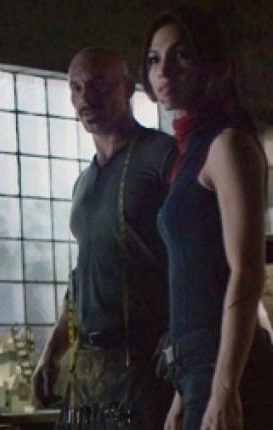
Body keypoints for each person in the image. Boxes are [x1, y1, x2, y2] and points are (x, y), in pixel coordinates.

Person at [141, 6, 273, 430]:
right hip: (196, 370)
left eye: (181, 55)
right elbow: (194, 278)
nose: (163, 71)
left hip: (231, 370)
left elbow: (246, 270)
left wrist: (224, 390)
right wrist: (183, 393)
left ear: (217, 66)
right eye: (154, 59)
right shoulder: (187, 156)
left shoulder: (228, 145)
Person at [31, 46, 176, 429]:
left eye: (98, 85)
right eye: (76, 88)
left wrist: (181, 332)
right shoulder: (84, 182)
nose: (85, 99)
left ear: (127, 88)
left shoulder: (162, 156)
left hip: (148, 363)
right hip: (90, 368)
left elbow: (202, 253)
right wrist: (52, 352)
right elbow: (82, 277)